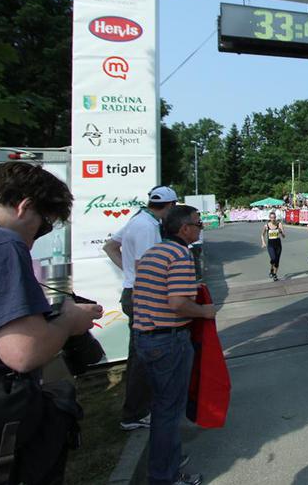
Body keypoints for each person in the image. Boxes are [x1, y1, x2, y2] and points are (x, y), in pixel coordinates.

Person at [0, 162, 103, 484]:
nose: (33, 241)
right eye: (42, 227)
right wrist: (69, 321)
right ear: (24, 207)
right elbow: (23, 352)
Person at [133, 205, 215, 485]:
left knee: (162, 408)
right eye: (198, 224)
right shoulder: (180, 255)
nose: (200, 228)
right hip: (168, 339)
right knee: (169, 412)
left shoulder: (153, 252)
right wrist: (204, 312)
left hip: (147, 336)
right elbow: (178, 303)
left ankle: (167, 462)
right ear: (184, 228)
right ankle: (164, 476)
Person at [104, 185, 178, 432]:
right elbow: (147, 267)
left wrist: (128, 274)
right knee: (144, 356)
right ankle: (136, 412)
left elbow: (109, 247)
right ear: (171, 206)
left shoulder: (138, 219)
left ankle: (138, 410)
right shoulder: (147, 227)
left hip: (133, 291)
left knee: (140, 354)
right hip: (143, 296)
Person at [261, 211, 285, 281]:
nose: (273, 219)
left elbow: (284, 236)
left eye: (274, 218)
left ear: (276, 218)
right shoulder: (266, 226)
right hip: (270, 245)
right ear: (269, 218)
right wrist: (263, 242)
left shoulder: (279, 224)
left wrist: (281, 232)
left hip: (278, 245)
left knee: (277, 261)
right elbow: (262, 235)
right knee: (273, 258)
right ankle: (271, 269)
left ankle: (274, 274)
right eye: (271, 218)